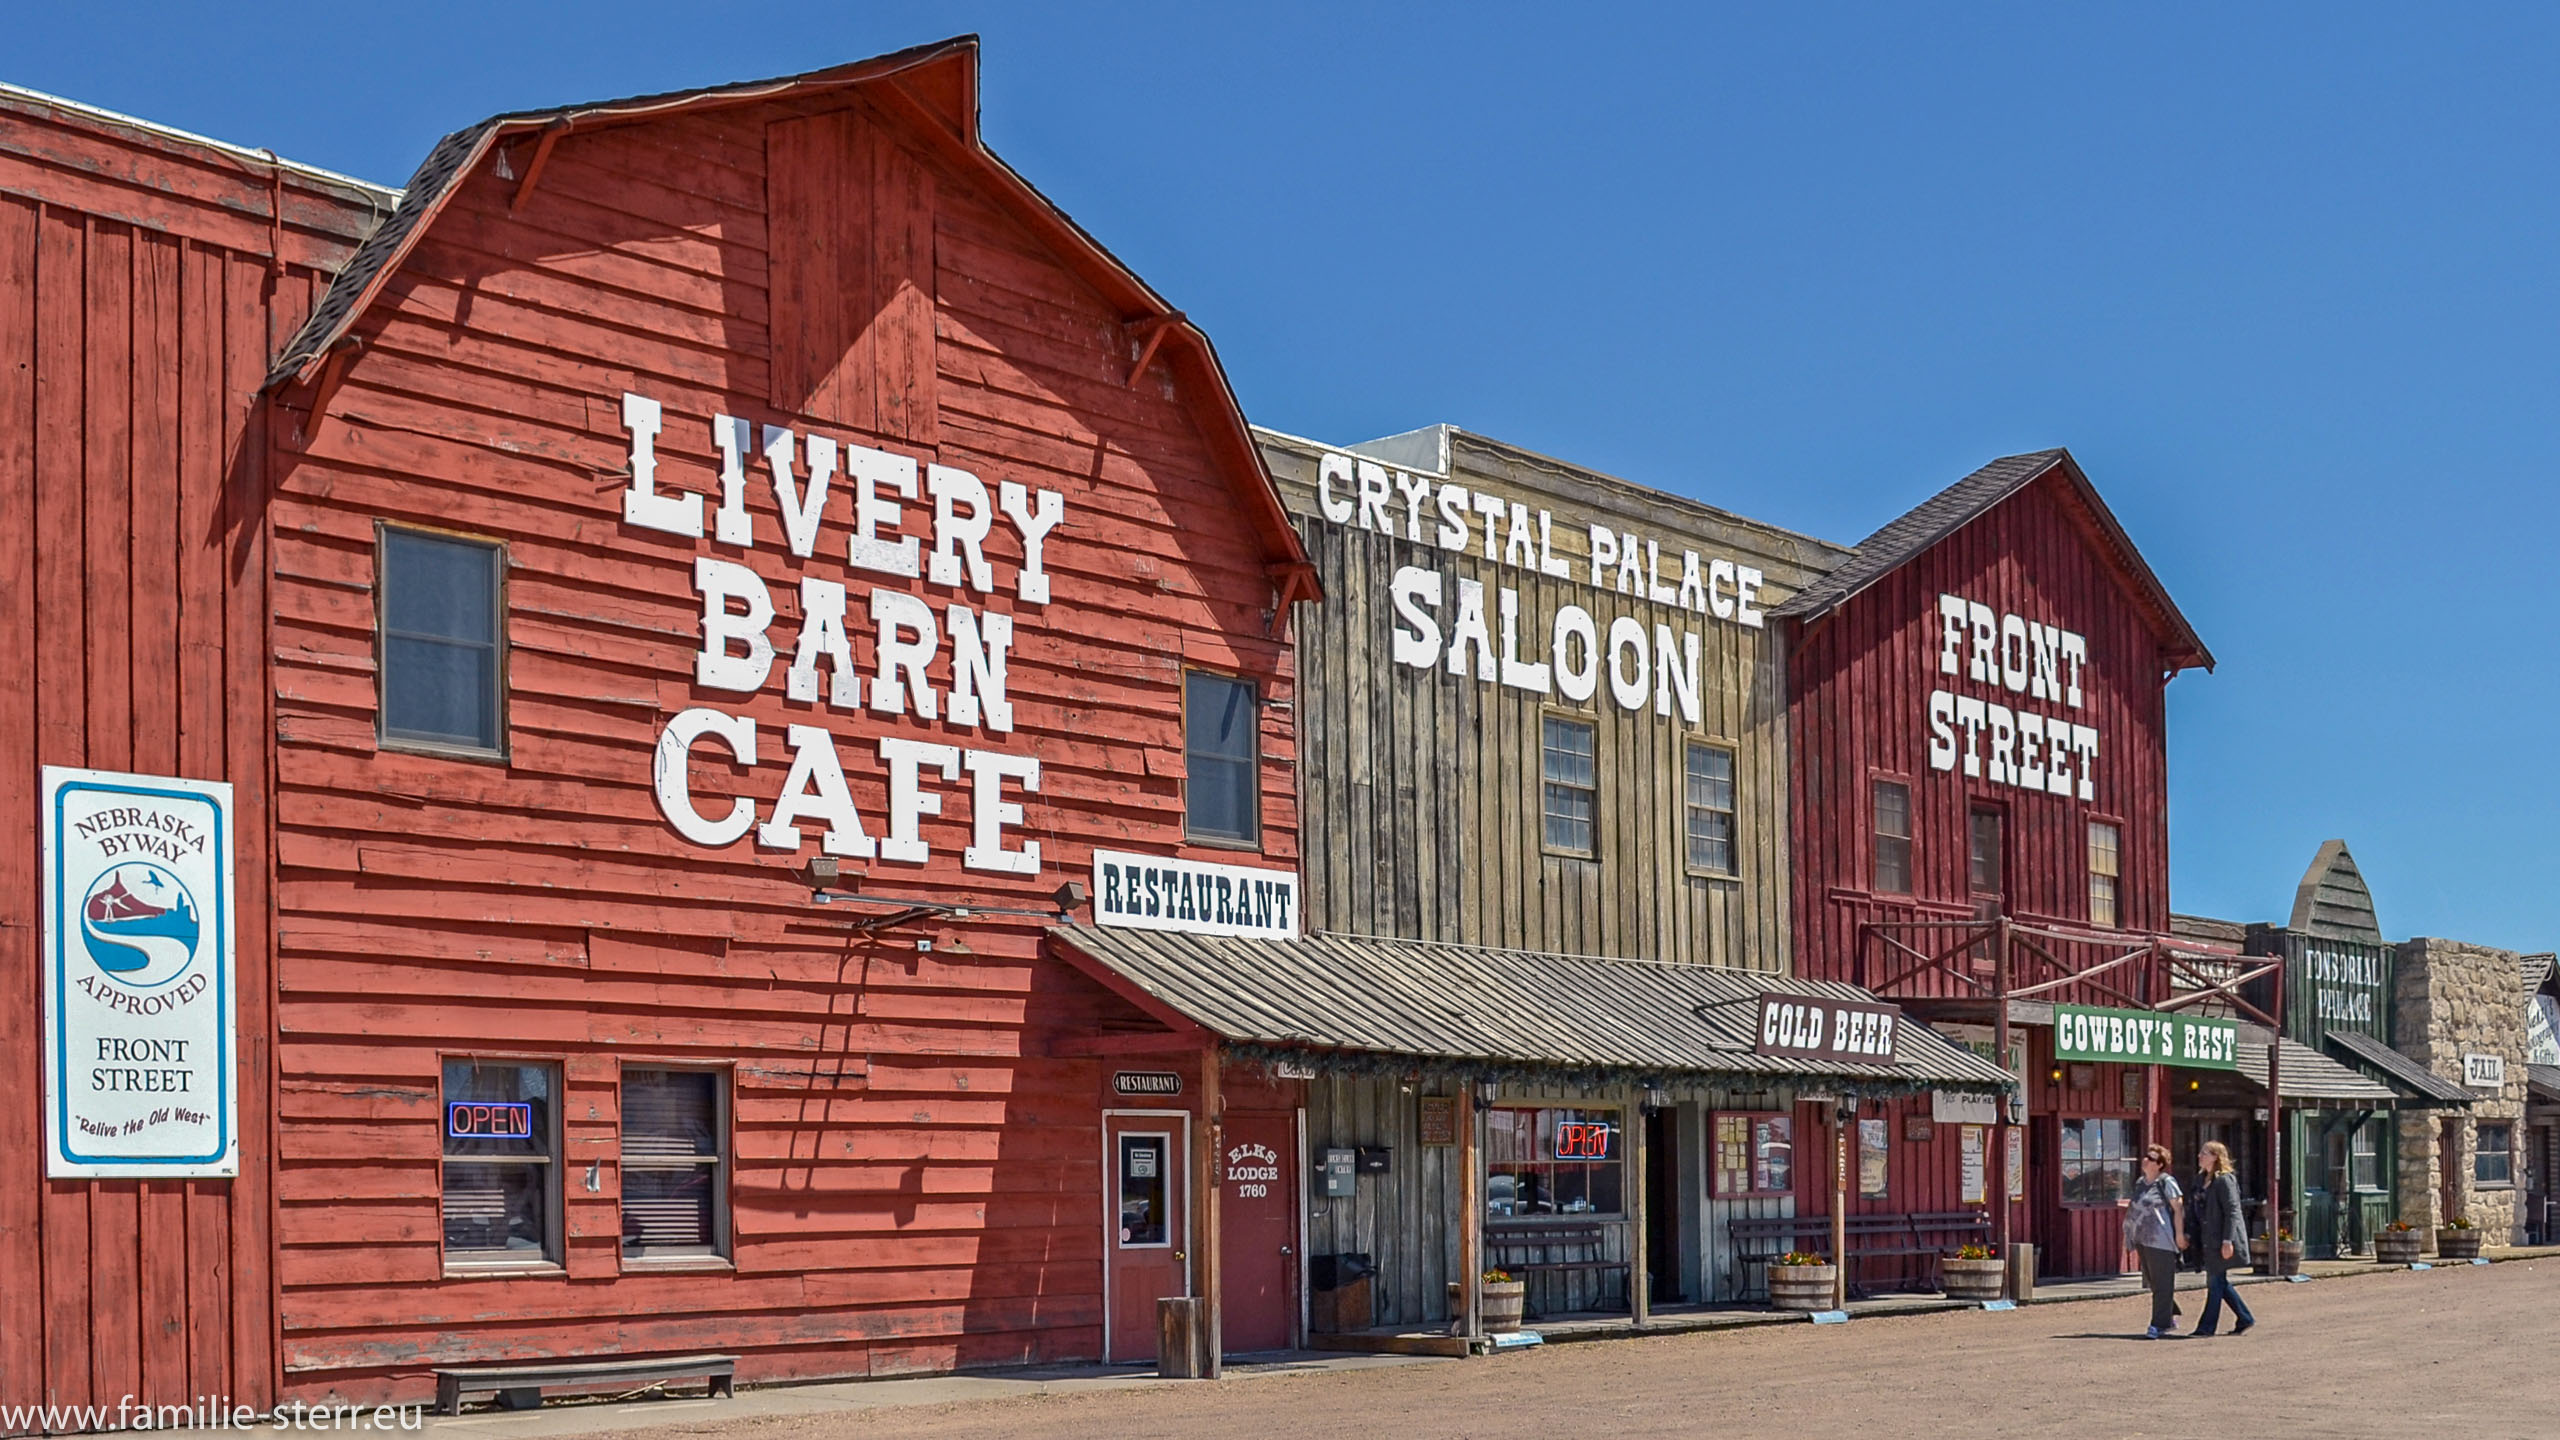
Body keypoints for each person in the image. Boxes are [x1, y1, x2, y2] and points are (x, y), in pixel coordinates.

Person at [2189, 1140, 2256, 1336]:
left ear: (2216, 1157)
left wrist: (2228, 1240)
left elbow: (2233, 1211)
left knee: (2215, 1281)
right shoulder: (2200, 1179)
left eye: (2205, 1153)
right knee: (2219, 1282)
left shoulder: (2225, 1180)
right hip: (2206, 1239)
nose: (2200, 1156)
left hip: (2222, 1239)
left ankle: (2206, 1327)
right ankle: (2245, 1317)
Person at [2126, 1143, 2185, 1338]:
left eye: (2150, 1158)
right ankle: (2168, 1315)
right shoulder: (2140, 1183)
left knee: (2162, 1283)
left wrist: (2179, 1235)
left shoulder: (2166, 1182)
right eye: (2146, 1156)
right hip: (2143, 1238)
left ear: (2159, 1164)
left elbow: (2178, 1209)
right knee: (2153, 1282)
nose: (2145, 1160)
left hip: (2162, 1239)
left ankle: (2158, 1325)